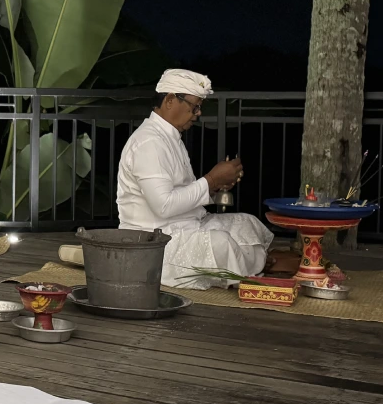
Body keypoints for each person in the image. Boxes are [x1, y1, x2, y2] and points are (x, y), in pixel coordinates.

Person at [116, 69, 287, 290]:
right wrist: (211, 180)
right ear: (170, 100)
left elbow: (183, 193)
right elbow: (164, 206)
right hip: (154, 243)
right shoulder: (149, 143)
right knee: (221, 243)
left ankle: (254, 265)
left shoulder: (170, 137)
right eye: (194, 106)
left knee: (246, 223)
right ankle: (255, 269)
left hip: (186, 225)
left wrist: (215, 187)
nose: (198, 113)